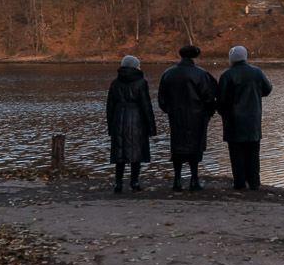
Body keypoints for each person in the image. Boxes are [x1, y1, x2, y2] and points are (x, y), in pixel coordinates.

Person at [157, 44, 218, 191]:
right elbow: (210, 97)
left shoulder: (169, 73)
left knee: (177, 148)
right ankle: (194, 180)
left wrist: (171, 111)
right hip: (197, 117)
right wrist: (209, 113)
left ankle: (177, 181)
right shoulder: (202, 74)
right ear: (195, 57)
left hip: (176, 117)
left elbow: (162, 99)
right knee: (195, 149)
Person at [216, 45, 272, 190]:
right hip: (253, 119)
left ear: (231, 58)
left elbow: (221, 100)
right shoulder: (256, 72)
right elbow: (267, 89)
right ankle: (254, 182)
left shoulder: (227, 74)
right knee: (253, 153)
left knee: (237, 154)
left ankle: (239, 183)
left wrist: (224, 114)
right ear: (245, 57)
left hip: (234, 120)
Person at [106, 55, 156, 193]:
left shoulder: (115, 83)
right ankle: (134, 182)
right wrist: (151, 126)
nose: (140, 67)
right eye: (139, 65)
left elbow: (109, 108)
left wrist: (110, 126)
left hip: (118, 119)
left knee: (119, 152)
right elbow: (146, 106)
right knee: (136, 152)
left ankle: (118, 183)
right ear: (134, 66)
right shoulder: (141, 83)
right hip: (136, 120)